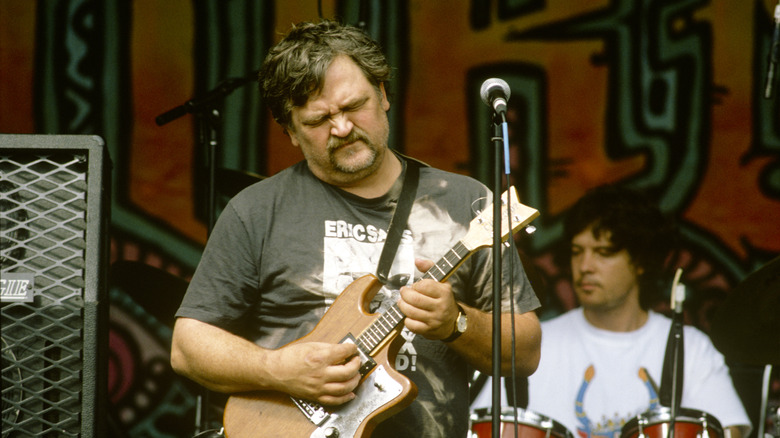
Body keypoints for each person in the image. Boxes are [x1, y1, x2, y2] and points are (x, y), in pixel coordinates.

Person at [170, 20, 542, 437]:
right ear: (291, 131)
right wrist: (278, 369)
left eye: (352, 107)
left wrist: (455, 323)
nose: (341, 128)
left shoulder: (466, 205)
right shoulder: (256, 211)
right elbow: (188, 347)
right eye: (319, 119)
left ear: (383, 94)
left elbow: (525, 353)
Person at [525, 186, 751, 438]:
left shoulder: (691, 348)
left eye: (604, 252)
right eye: (577, 252)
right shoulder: (532, 343)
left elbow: (730, 431)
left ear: (641, 260)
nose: (585, 266)